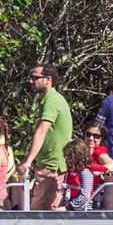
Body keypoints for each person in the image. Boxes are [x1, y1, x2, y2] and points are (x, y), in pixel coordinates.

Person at [23, 63, 71, 211]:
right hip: (48, 164)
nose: (31, 81)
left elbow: (42, 132)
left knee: (41, 214)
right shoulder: (48, 100)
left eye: (35, 77)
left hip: (51, 166)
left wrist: (29, 161)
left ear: (47, 79)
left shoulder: (51, 100)